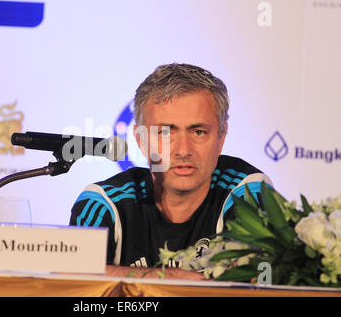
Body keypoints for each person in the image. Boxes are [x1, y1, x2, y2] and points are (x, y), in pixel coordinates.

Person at [69, 63, 272, 279]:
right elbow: (70, 280)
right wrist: (172, 279)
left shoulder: (249, 192)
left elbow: (263, 284)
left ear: (221, 137)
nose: (183, 150)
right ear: (141, 141)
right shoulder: (103, 203)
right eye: (165, 132)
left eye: (199, 132)